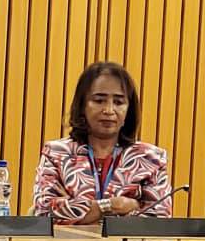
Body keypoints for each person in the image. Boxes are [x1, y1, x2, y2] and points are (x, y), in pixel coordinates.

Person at [33, 61, 171, 223]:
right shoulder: (56, 153)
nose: (109, 110)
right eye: (99, 101)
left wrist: (74, 208)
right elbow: (44, 214)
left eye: (119, 102)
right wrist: (114, 206)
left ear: (129, 110)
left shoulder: (150, 159)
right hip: (69, 240)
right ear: (82, 105)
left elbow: (159, 221)